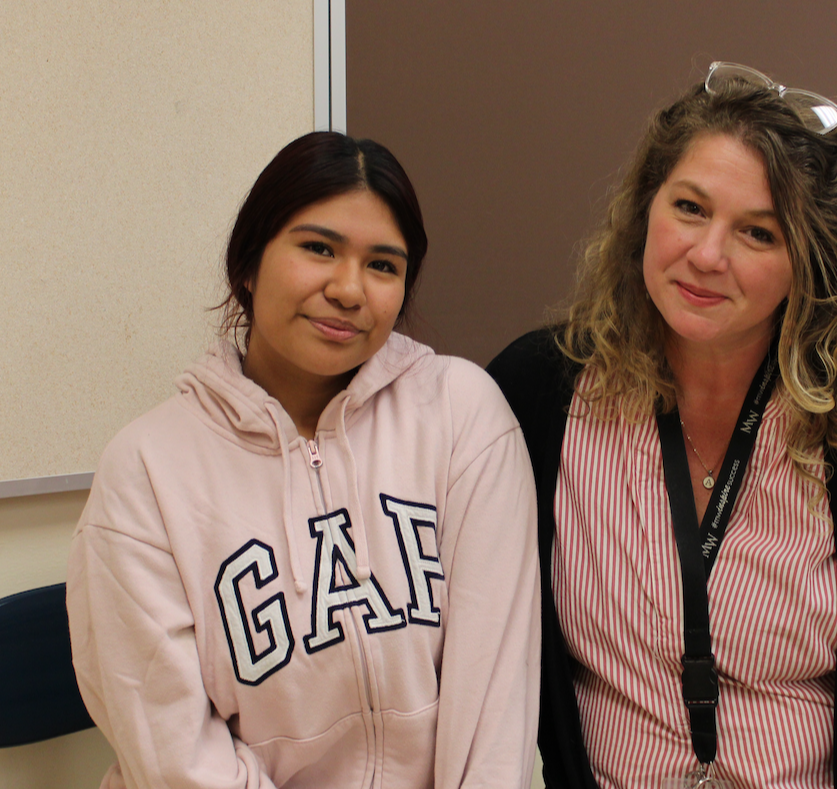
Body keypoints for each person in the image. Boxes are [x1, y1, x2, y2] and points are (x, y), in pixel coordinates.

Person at [487, 63, 837, 789]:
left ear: (814, 259)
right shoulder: (540, 391)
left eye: (757, 233)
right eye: (690, 208)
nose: (706, 255)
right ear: (646, 209)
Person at [68, 131, 540, 789]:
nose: (349, 289)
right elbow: (175, 759)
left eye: (383, 265)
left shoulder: (464, 418)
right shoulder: (145, 474)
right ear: (249, 263)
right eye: (318, 248)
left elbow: (496, 716)